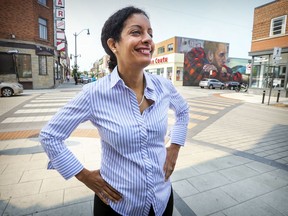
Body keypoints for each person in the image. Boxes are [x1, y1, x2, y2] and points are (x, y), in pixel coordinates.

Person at [39, 6, 189, 216]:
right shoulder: (94, 93)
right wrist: (84, 176)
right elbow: (50, 136)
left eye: (150, 33)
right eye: (136, 32)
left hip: (162, 199)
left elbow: (183, 112)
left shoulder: (164, 86)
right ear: (113, 44)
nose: (148, 39)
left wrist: (174, 148)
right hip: (117, 206)